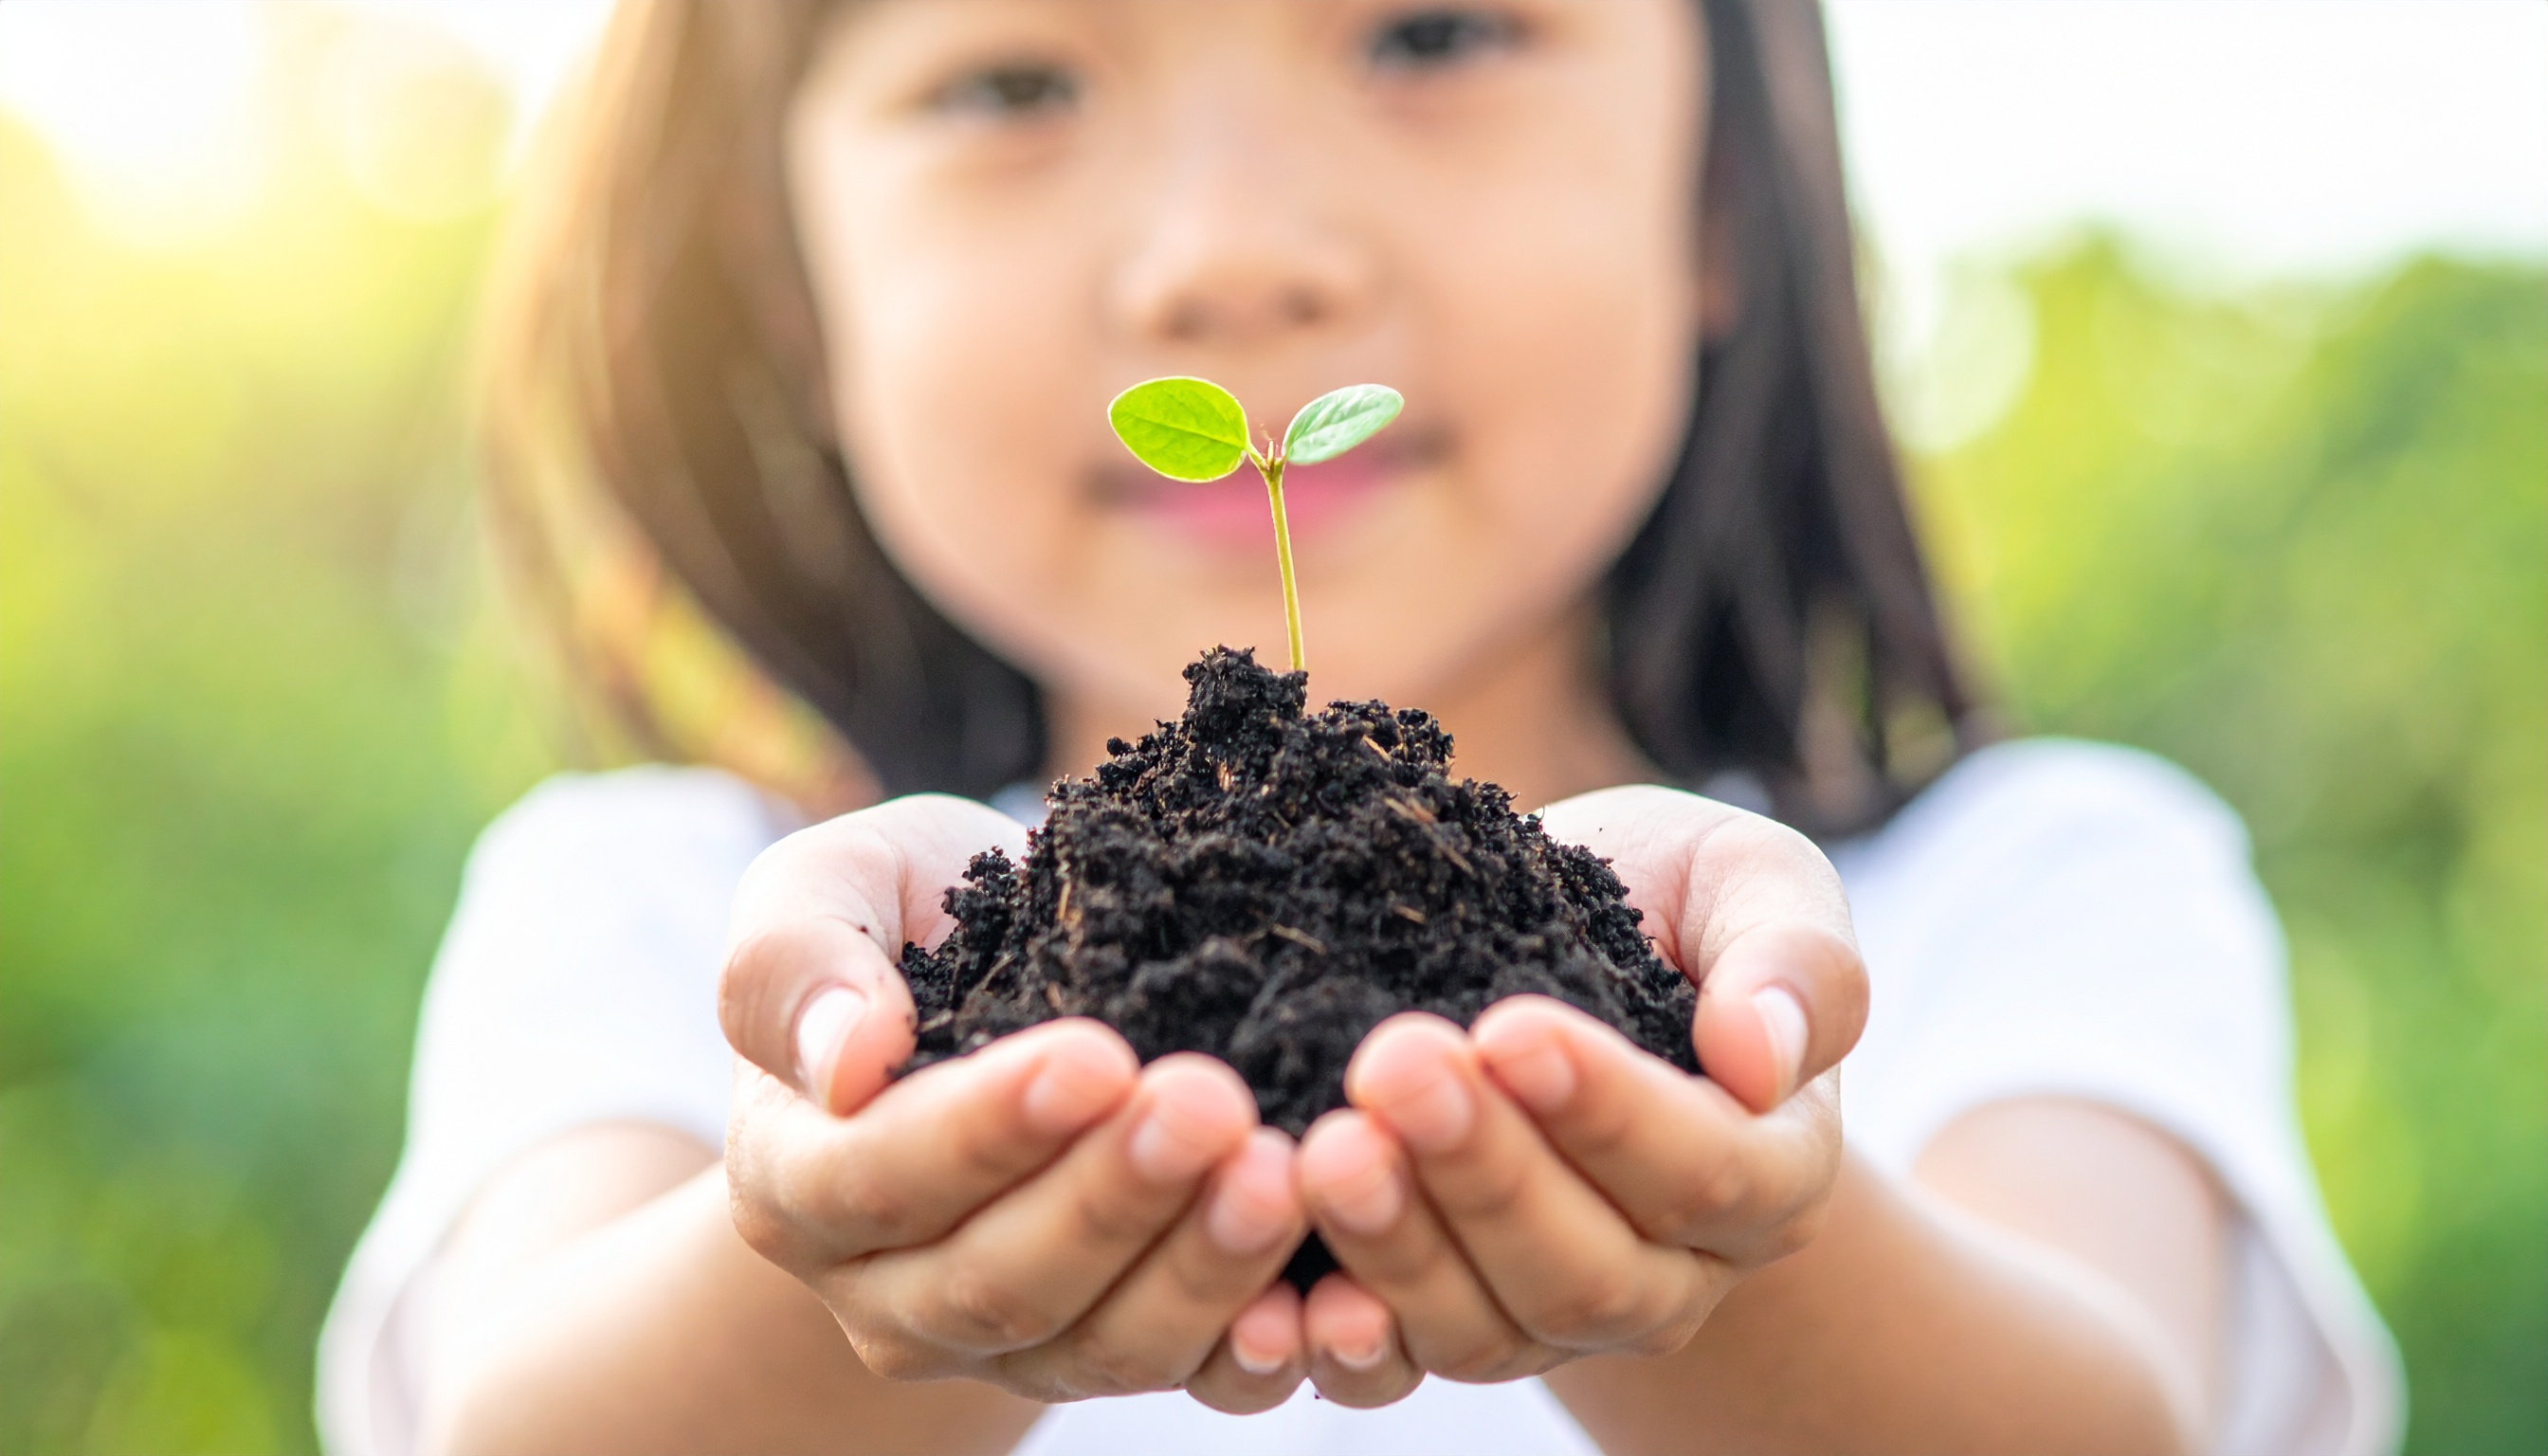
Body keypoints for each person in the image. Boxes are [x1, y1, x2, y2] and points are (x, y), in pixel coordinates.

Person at [318, 2, 2401, 1452]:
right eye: (1012, 78)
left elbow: (2100, 1425)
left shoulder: (2019, 893)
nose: (1235, 260)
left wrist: (1712, 1183)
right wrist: (859, 1215)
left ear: (1722, 203)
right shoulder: (693, 926)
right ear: (792, 282)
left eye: (1433, 35)